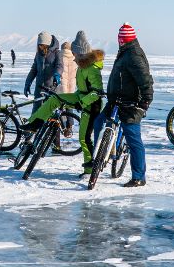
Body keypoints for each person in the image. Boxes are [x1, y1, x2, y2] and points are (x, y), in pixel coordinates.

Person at [19, 31, 103, 175]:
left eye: (75, 54)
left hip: (92, 105)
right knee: (55, 99)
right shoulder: (82, 67)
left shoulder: (92, 69)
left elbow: (97, 93)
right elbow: (80, 91)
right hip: (79, 97)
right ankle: (35, 123)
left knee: (84, 138)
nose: (73, 57)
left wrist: (81, 103)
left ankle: (89, 169)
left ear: (81, 54)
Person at [107, 23, 153, 187]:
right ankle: (99, 157)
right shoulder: (125, 51)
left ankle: (139, 177)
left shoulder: (133, 54)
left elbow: (145, 80)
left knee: (133, 139)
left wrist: (145, 102)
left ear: (123, 39)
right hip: (117, 100)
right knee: (99, 122)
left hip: (131, 103)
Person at [24, 32, 62, 111]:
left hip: (52, 88)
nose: (40, 47)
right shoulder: (38, 54)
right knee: (36, 112)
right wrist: (28, 83)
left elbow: (59, 66)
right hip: (39, 88)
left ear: (47, 44)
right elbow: (34, 70)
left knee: (51, 113)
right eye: (39, 45)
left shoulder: (57, 53)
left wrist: (57, 74)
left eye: (42, 45)